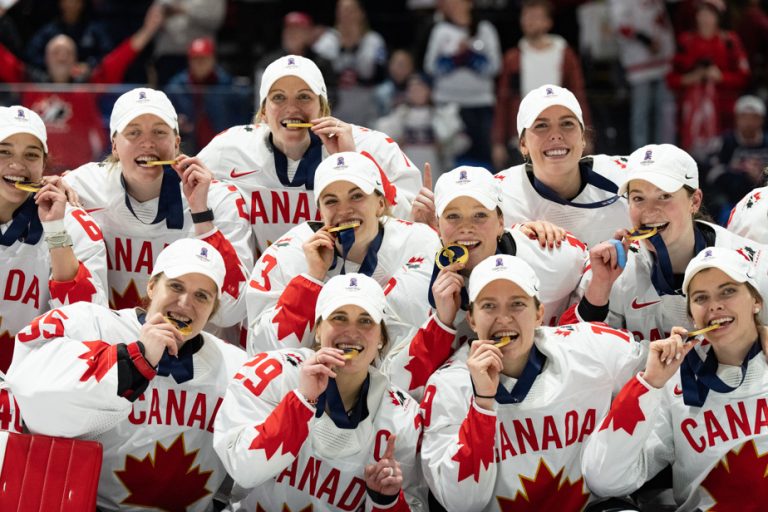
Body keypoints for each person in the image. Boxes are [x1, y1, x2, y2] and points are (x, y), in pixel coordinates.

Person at [7, 238, 247, 512]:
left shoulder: (236, 368)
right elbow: (33, 396)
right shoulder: (93, 325)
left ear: (213, 308)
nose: (184, 303)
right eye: (176, 286)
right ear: (152, 285)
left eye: (202, 296)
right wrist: (134, 359)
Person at [419, 254, 646, 511]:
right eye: (489, 306)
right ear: (471, 319)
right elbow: (461, 502)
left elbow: (664, 370)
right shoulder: (448, 385)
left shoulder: (590, 348)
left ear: (539, 313)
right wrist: (482, 404)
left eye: (517, 304)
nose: (503, 318)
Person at [214, 273, 425, 511]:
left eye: (366, 321)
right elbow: (243, 469)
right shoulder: (272, 374)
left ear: (381, 337)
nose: (352, 332)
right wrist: (301, 401)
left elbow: (416, 504)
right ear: (317, 330)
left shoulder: (402, 415)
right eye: (339, 317)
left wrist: (385, 501)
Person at [582, 246, 768, 511]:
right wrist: (648, 384)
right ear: (691, 315)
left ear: (756, 301)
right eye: (701, 298)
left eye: (728, 291)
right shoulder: (674, 382)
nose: (715, 305)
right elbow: (604, 478)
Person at [388, 165, 589, 401]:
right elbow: (396, 386)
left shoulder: (548, 252)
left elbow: (596, 275)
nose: (466, 227)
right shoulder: (410, 285)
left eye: (480, 215)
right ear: (438, 226)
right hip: (461, 414)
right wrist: (440, 324)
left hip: (546, 401)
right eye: (453, 216)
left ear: (500, 221)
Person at [62, 87, 254, 334]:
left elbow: (232, 311)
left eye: (159, 132)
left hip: (194, 358)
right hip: (113, 352)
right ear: (115, 146)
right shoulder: (81, 187)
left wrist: (202, 216)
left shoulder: (218, 199)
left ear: (176, 143)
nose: (148, 142)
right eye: (134, 132)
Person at [197, 55, 421, 252]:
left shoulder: (372, 146)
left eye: (304, 97)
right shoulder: (229, 148)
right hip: (266, 289)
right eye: (278, 97)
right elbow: (185, 199)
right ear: (263, 111)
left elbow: (411, 219)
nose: (292, 108)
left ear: (322, 108)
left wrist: (356, 163)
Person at [566, 143, 768, 343]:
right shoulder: (609, 268)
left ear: (694, 201)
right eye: (638, 198)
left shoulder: (755, 266)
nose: (650, 210)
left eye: (664, 196)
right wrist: (600, 288)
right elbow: (578, 351)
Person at [245, 151, 440, 356]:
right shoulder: (286, 255)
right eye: (331, 201)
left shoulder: (419, 243)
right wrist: (310, 280)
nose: (344, 210)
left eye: (356, 196)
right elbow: (261, 350)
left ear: (380, 204)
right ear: (319, 211)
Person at [0, 105, 108, 374]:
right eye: (4, 152)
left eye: (31, 155)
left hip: (37, 390)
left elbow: (88, 323)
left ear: (44, 164)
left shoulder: (73, 224)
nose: (17, 164)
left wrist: (56, 231)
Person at [495, 84, 629, 249]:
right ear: (523, 144)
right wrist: (512, 237)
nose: (556, 135)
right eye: (541, 126)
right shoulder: (497, 196)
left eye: (567, 123)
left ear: (583, 138)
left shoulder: (627, 175)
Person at [492, 0, 591, 171]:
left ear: (548, 22)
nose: (529, 20)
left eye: (536, 16)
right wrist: (498, 142)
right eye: (526, 16)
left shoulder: (564, 55)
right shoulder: (513, 58)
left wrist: (586, 134)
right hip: (523, 138)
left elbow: (578, 96)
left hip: (559, 137)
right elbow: (503, 101)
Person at [667, 0, 750, 159]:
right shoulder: (686, 41)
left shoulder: (730, 41)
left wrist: (721, 77)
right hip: (691, 121)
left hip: (724, 117)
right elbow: (672, 79)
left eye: (710, 14)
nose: (705, 19)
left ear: (718, 17)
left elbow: (744, 77)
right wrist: (691, 78)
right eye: (701, 13)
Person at [423, 0, 501, 168]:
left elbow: (494, 67)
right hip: (447, 103)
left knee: (482, 158)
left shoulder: (484, 29)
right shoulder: (440, 30)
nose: (455, 5)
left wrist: (470, 55)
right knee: (449, 159)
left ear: (470, 4)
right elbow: (430, 67)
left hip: (479, 103)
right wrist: (455, 58)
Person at [165, 37, 251, 155]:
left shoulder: (228, 85)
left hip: (223, 146)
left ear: (213, 59)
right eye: (196, 59)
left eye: (204, 58)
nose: (200, 63)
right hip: (187, 147)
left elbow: (240, 119)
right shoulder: (176, 87)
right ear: (189, 61)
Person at [609, 0, 676, 149]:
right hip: (639, 61)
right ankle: (641, 158)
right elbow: (620, 26)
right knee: (641, 113)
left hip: (664, 58)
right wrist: (646, 40)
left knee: (665, 112)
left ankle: (666, 155)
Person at [375, 72, 468, 177]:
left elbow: (461, 142)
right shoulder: (400, 115)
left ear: (429, 90)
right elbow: (382, 139)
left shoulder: (442, 115)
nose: (416, 93)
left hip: (435, 168)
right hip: (407, 170)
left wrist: (445, 147)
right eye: (412, 89)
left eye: (420, 89)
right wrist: (396, 145)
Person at [313, 0, 388, 127]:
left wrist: (359, 79)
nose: (346, 15)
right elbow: (315, 76)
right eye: (342, 10)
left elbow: (382, 76)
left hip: (367, 113)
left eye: (350, 10)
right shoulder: (327, 41)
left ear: (361, 13)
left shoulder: (374, 41)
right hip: (334, 114)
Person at [254, 11, 337, 109]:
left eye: (297, 30)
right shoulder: (268, 63)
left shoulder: (321, 64)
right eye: (288, 30)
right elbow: (260, 99)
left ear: (308, 34)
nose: (291, 34)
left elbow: (332, 96)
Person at [705, 95, 768, 224]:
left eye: (753, 117)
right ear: (737, 118)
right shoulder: (724, 142)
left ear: (761, 119)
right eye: (744, 117)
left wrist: (761, 177)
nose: (748, 122)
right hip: (731, 199)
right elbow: (711, 173)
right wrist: (742, 178)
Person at [152, 0, 226, 86]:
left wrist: (185, 9)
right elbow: (155, 16)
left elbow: (216, 20)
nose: (198, 64)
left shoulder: (223, 80)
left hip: (203, 50)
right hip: (168, 54)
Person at [25, 0, 113, 70]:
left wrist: (89, 66)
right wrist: (53, 65)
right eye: (68, 1)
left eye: (76, 1)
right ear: (61, 3)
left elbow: (107, 55)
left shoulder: (93, 30)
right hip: (52, 80)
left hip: (86, 82)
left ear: (82, 4)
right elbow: (31, 54)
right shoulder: (49, 31)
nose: (71, 5)